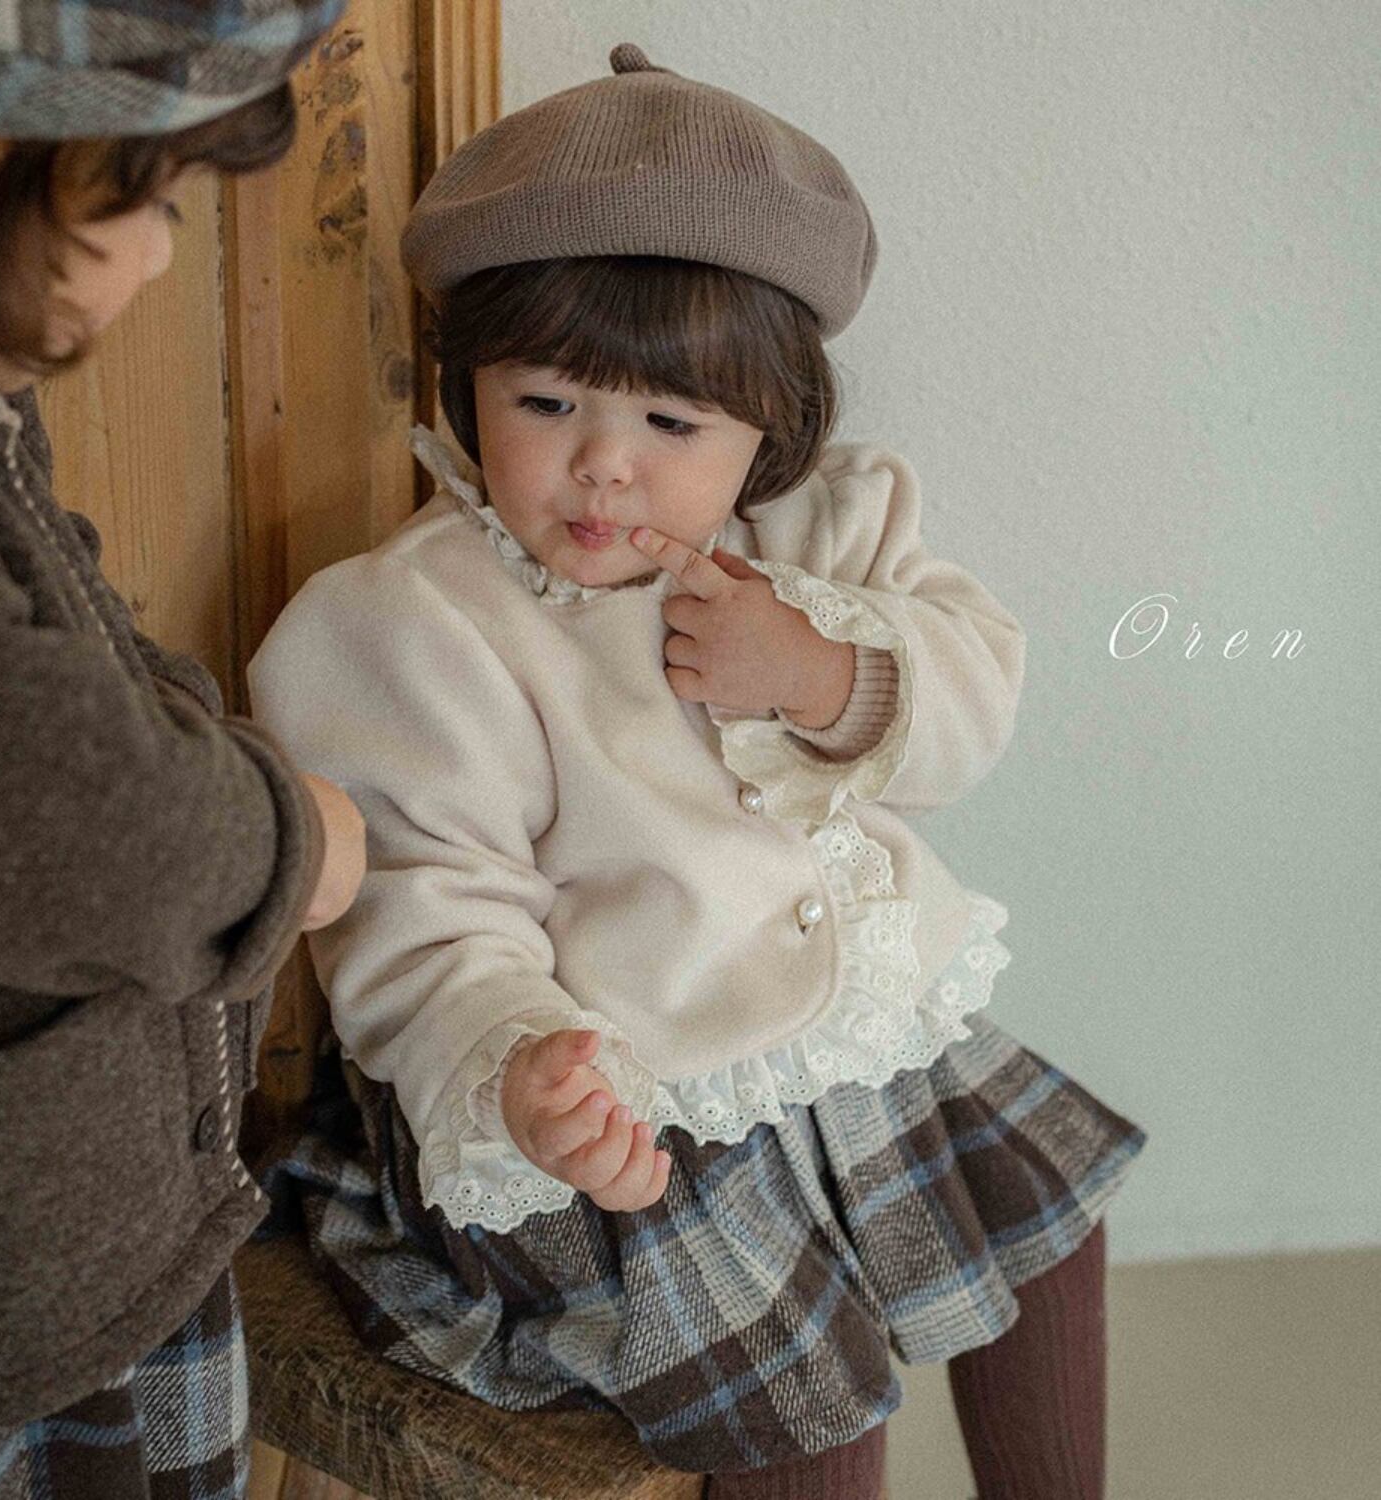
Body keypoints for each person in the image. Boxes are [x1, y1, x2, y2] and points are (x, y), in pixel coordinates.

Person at [248, 43, 1148, 1500]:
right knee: (805, 1387)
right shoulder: (414, 627)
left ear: (766, 430)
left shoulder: (822, 531)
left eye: (671, 425)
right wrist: (524, 1069)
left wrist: (828, 672)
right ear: (468, 383)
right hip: (621, 1106)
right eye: (547, 404)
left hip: (851, 1035)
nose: (605, 466)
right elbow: (426, 905)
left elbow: (976, 692)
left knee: (1055, 1221)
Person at [0, 4, 367, 1497]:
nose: (163, 256)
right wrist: (293, 841)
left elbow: (76, 641)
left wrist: (174, 718)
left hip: (60, 1249)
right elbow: (84, 820)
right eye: (150, 206)